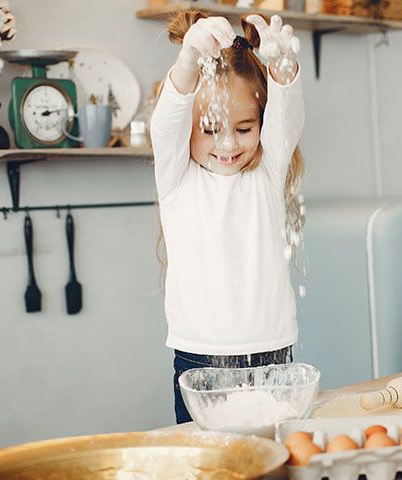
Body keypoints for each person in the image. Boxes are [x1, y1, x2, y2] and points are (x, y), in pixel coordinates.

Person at [150, 10, 305, 423]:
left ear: (260, 124)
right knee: (210, 463)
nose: (227, 144)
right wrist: (187, 63)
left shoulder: (268, 171)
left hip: (272, 355)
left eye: (244, 128)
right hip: (199, 361)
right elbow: (165, 125)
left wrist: (283, 68)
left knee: (273, 459)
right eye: (210, 128)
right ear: (189, 129)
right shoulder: (177, 178)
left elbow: (287, 119)